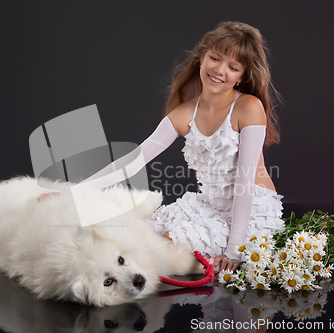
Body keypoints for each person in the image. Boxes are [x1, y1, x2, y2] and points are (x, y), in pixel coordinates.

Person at [40, 21, 285, 273]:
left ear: (242, 76)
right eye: (215, 58)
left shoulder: (248, 108)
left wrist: (235, 249)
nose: (220, 70)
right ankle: (78, 263)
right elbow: (134, 160)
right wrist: (73, 192)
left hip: (252, 209)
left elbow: (245, 182)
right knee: (141, 232)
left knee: (165, 244)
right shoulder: (184, 114)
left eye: (233, 67)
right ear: (202, 58)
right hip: (210, 205)